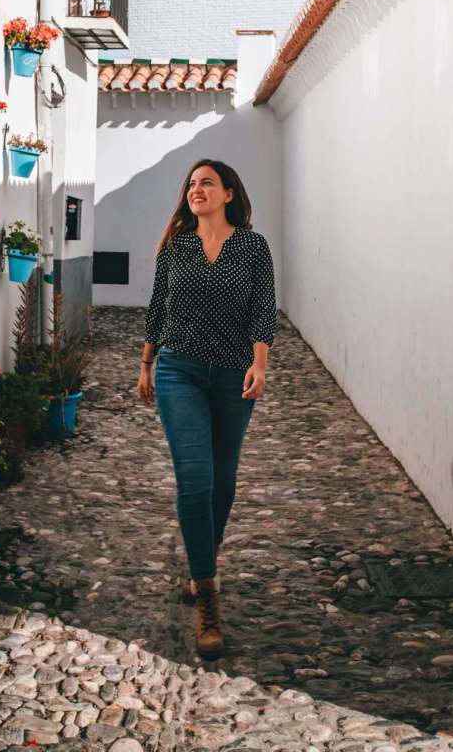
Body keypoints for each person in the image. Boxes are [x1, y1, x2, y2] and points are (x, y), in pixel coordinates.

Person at [137, 159, 277, 659]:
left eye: (206, 183)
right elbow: (158, 305)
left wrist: (260, 365)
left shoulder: (252, 247)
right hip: (179, 371)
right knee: (194, 477)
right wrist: (147, 364)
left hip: (235, 372)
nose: (196, 190)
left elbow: (263, 306)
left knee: (222, 479)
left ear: (229, 194)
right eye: (191, 184)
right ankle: (208, 595)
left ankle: (202, 559)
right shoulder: (177, 245)